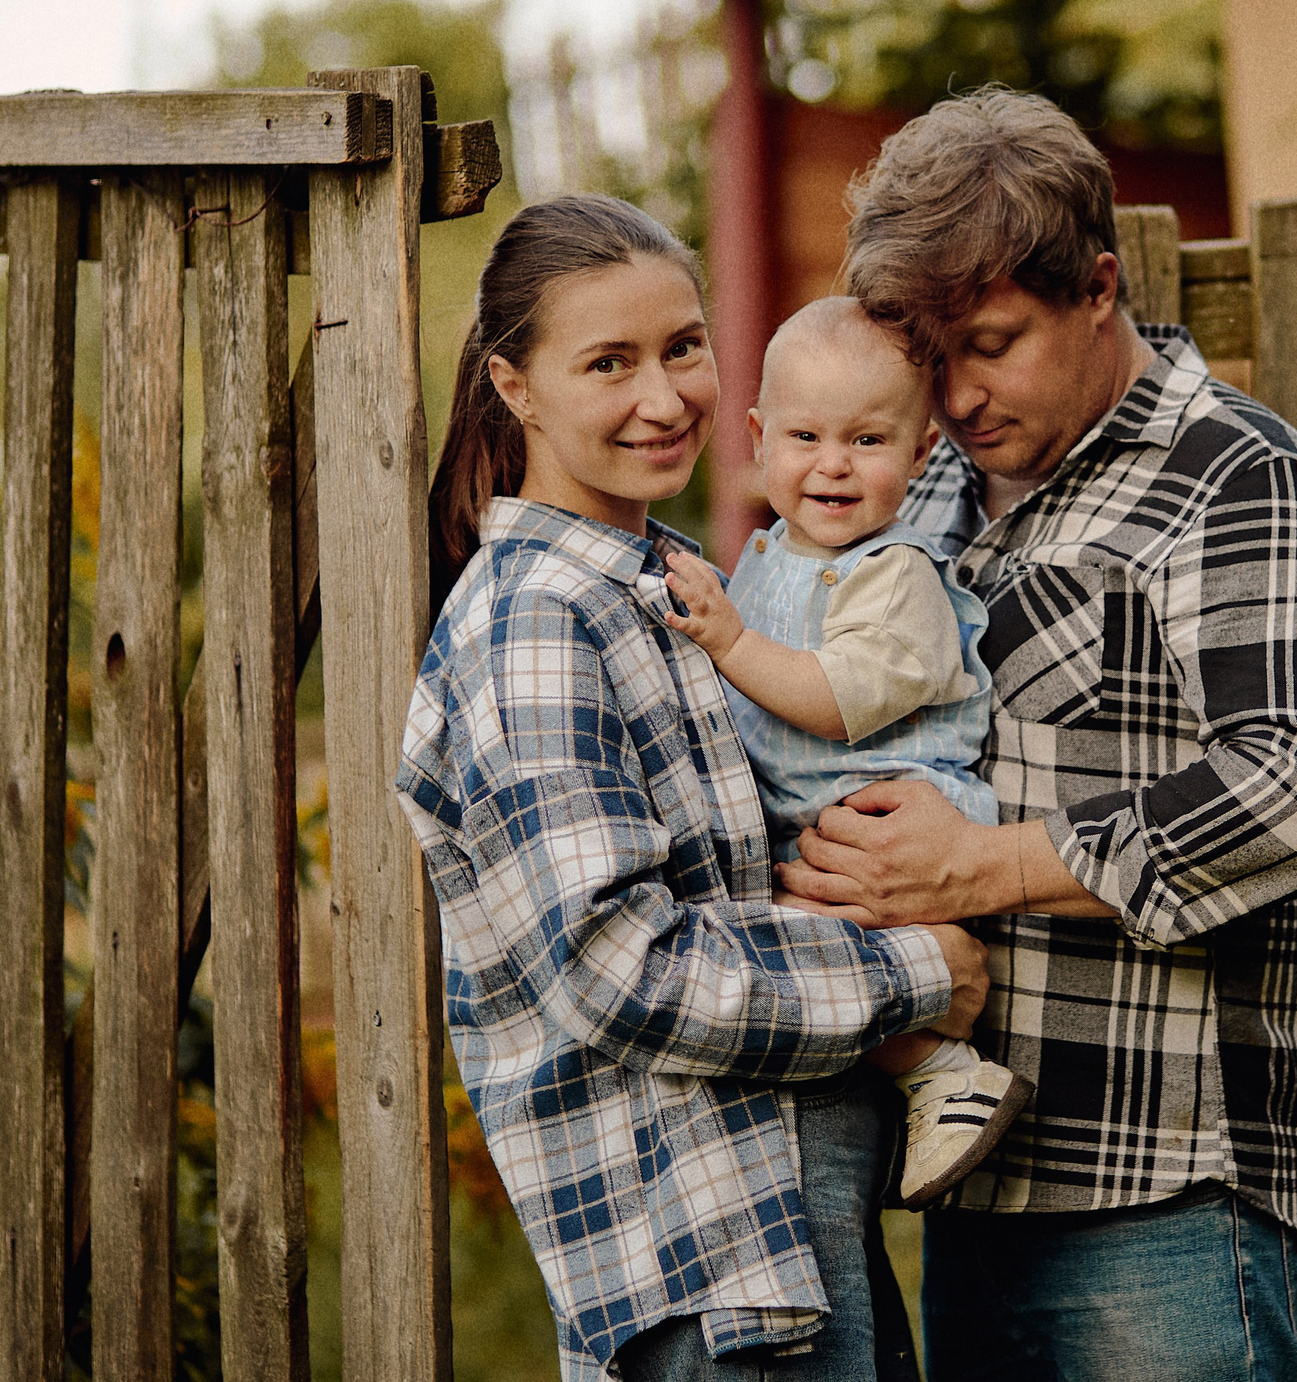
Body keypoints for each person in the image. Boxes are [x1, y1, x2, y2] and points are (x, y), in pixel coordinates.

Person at [781, 91, 1297, 1382]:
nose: (954, 394)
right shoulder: (933, 482)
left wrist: (979, 866)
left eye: (993, 343)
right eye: (930, 357)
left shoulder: (1240, 478)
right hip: (972, 1177)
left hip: (1165, 1186)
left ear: (1099, 286)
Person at [394, 195, 987, 1382]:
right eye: (608, 361)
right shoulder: (536, 625)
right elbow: (620, 969)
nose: (665, 397)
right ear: (515, 387)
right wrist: (924, 968)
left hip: (781, 1239)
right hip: (703, 1270)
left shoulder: (676, 586)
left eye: (682, 346)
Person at [660, 297, 1032, 1210]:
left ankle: (943, 1072)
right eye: (805, 436)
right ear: (757, 438)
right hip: (814, 822)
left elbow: (830, 701)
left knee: (829, 944)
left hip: (887, 823)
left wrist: (729, 644)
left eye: (868, 442)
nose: (832, 464)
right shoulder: (770, 552)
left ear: (921, 454)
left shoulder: (895, 573)